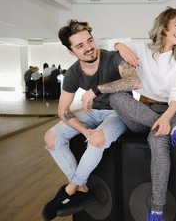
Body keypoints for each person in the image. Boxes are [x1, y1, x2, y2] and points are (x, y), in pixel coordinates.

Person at [100, 7, 176, 221]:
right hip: (141, 111)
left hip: (170, 112)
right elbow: (102, 43)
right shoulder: (141, 48)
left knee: (158, 141)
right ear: (164, 28)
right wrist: (119, 46)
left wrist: (165, 121)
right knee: (116, 97)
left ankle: (157, 211)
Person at [42, 19, 141, 221]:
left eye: (89, 40)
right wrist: (84, 130)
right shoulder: (72, 72)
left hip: (118, 112)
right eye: (80, 46)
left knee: (97, 140)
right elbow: (63, 110)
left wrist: (96, 90)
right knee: (51, 137)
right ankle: (83, 188)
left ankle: (69, 190)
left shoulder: (113, 58)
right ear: (71, 52)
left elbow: (135, 81)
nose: (88, 48)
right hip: (93, 114)